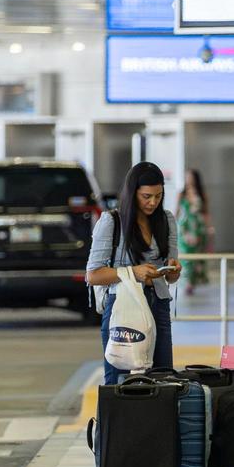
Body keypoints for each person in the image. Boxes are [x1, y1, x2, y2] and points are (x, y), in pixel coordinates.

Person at [87, 162, 181, 384]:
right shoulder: (112, 222)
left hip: (158, 304)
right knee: (119, 381)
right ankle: (114, 420)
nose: (153, 202)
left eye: (158, 196)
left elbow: (170, 275)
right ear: (132, 193)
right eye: (146, 196)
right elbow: (93, 275)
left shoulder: (166, 220)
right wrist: (132, 272)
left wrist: (174, 271)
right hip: (122, 305)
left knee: (163, 379)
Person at [177, 168, 212, 295]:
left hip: (199, 228)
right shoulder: (181, 194)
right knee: (186, 256)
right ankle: (187, 282)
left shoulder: (202, 194)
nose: (189, 179)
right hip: (185, 228)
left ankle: (192, 282)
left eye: (191, 177)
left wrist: (209, 229)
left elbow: (206, 212)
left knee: (197, 257)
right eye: (187, 177)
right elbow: (177, 212)